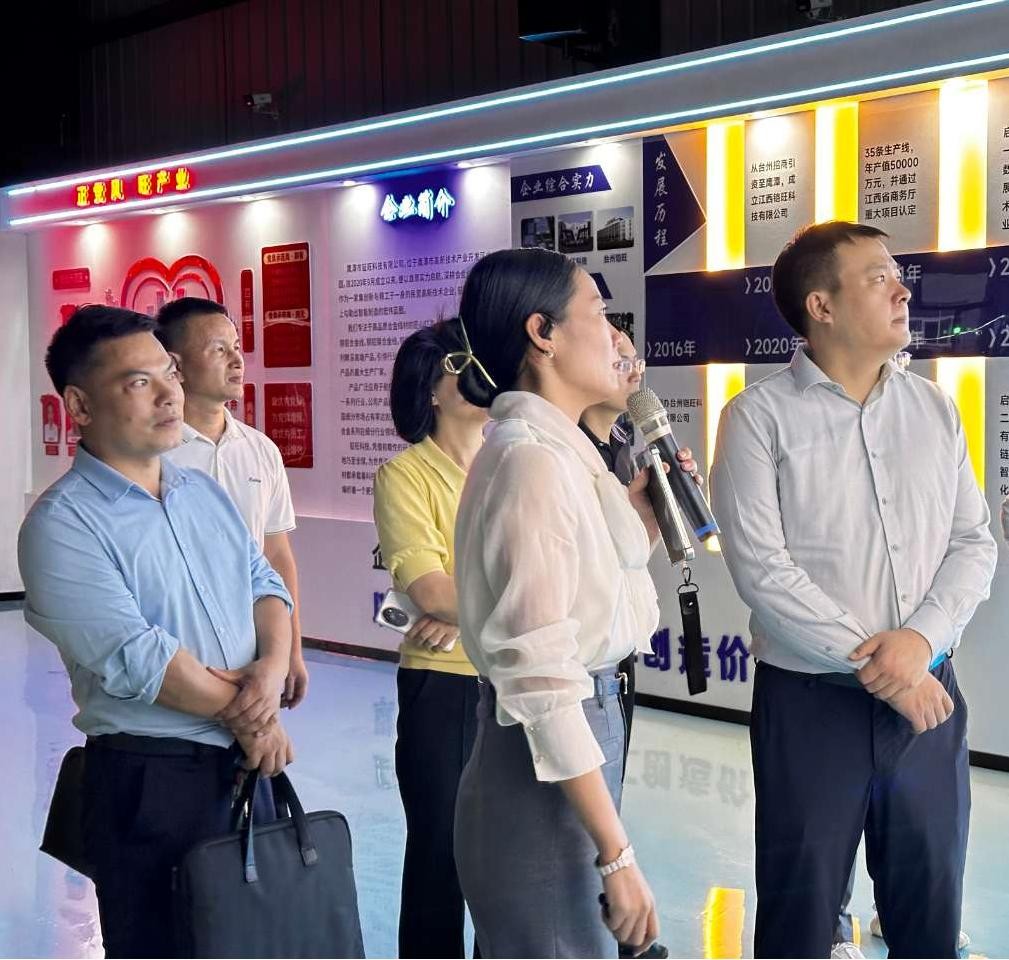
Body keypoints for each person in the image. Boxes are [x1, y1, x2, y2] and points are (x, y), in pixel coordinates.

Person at [709, 222, 997, 958]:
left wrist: (920, 644)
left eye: (896, 276)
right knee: (800, 919)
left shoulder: (933, 409)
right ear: (822, 306)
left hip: (929, 701)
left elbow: (972, 542)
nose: (902, 290)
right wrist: (886, 666)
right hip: (811, 706)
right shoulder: (757, 418)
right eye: (877, 278)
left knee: (929, 913)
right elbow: (763, 570)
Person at [18, 306, 295, 958]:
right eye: (139, 382)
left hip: (243, 766)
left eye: (168, 371)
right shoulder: (62, 525)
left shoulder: (203, 493)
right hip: (151, 781)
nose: (170, 393)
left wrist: (273, 668)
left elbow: (266, 585)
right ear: (79, 406)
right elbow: (143, 661)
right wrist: (256, 720)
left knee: (261, 942)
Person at [452, 248, 662, 958]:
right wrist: (617, 856)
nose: (614, 336)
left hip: (580, 728)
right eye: (598, 314)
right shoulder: (530, 461)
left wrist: (644, 522)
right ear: (542, 333)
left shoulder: (558, 450)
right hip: (543, 748)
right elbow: (540, 677)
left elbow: (589, 592)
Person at [372, 318, 487, 958]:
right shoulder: (405, 475)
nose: (481, 373)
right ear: (433, 390)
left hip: (514, 679)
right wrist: (462, 603)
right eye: (461, 363)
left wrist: (467, 608)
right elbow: (432, 592)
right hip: (444, 687)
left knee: (506, 860)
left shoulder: (510, 462)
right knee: (440, 860)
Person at [156, 297, 308, 709]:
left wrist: (291, 649)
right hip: (181, 652)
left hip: (255, 650)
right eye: (218, 349)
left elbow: (277, 555)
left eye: (237, 347)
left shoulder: (261, 450)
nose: (237, 360)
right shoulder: (155, 455)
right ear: (176, 366)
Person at [578, 329, 645, 762]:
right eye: (622, 363)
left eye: (637, 362)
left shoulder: (623, 448)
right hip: (577, 666)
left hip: (617, 657)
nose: (635, 373)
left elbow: (626, 562)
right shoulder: (561, 452)